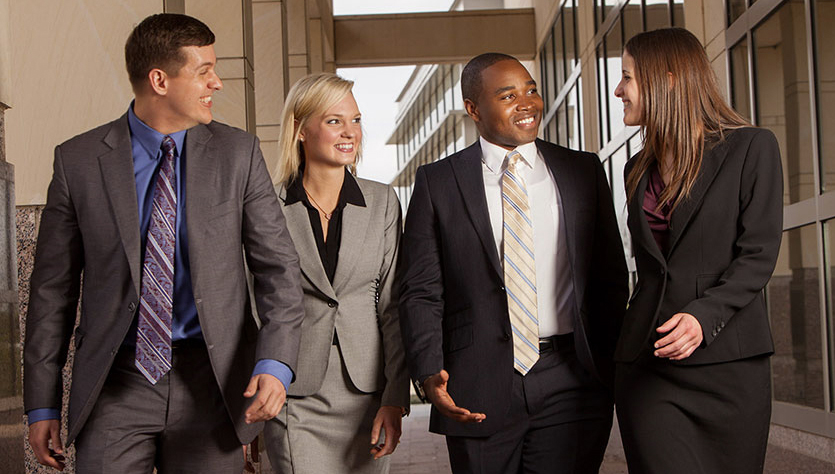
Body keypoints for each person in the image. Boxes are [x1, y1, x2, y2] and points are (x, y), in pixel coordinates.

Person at [24, 13, 304, 473]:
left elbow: (279, 270)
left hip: (212, 383)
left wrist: (274, 364)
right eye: (203, 71)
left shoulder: (239, 155)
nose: (216, 82)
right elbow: (51, 291)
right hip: (116, 384)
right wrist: (42, 405)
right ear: (159, 80)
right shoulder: (78, 162)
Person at [399, 52, 628, 474]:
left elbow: (609, 278)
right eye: (508, 95)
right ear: (473, 109)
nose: (527, 103)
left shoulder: (581, 170)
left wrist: (608, 368)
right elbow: (421, 290)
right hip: (476, 384)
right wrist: (429, 371)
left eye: (531, 90)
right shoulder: (438, 182)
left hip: (571, 380)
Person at [612, 27, 783, 474]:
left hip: (729, 368)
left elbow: (758, 255)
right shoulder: (635, 168)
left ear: (667, 80)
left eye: (627, 77)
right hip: (649, 369)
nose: (618, 90)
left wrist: (703, 317)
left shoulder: (752, 148)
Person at [262, 73, 409, 474]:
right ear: (299, 129)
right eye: (334, 121)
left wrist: (395, 397)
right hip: (292, 393)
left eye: (356, 120)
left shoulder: (382, 202)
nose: (350, 132)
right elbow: (251, 308)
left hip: (368, 395)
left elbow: (394, 306)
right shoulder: (266, 205)